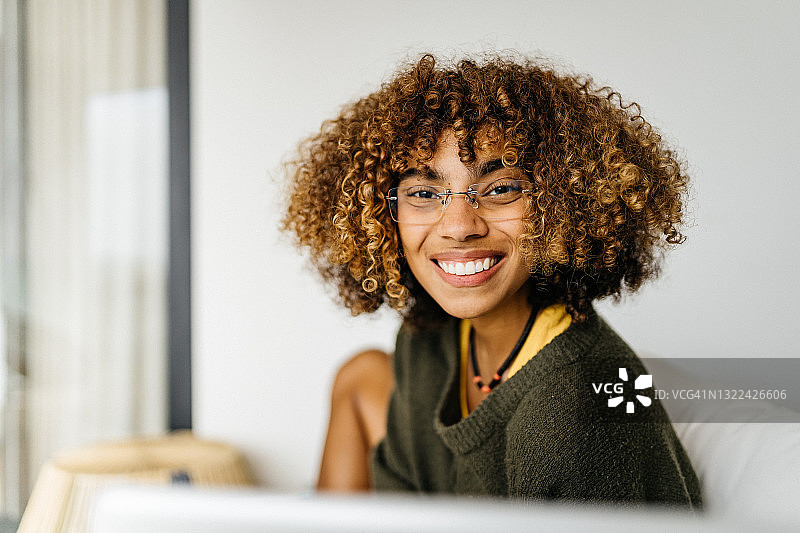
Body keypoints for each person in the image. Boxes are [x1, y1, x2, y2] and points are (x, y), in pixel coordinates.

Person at [282, 53, 702, 508]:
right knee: (362, 372)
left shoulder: (577, 412)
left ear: (564, 204)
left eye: (500, 189)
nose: (459, 225)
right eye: (423, 193)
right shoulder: (428, 340)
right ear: (384, 215)